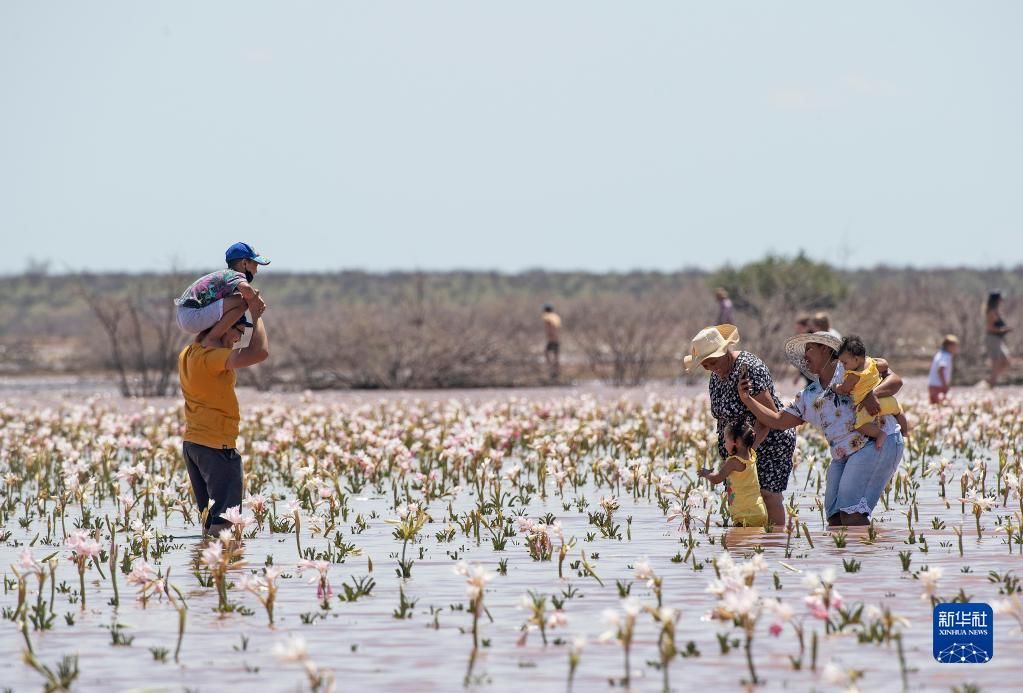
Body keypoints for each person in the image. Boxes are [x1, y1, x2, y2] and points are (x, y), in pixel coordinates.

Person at [737, 331, 905, 527]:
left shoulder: (852, 367)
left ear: (825, 349)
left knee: (852, 517)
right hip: (843, 454)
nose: (804, 356)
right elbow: (777, 421)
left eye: (809, 349)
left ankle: (872, 554)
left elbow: (896, 380)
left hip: (876, 442)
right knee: (835, 519)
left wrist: (872, 393)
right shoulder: (808, 395)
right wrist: (747, 399)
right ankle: (854, 554)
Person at [683, 324, 796, 527]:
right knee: (744, 499)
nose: (711, 368)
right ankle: (750, 548)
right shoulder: (716, 376)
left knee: (768, 494)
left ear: (725, 351)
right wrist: (733, 455)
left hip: (769, 439)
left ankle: (775, 545)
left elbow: (770, 416)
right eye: (705, 365)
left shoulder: (748, 368)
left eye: (713, 362)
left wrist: (745, 455)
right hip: (738, 447)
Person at [179, 301, 269, 537]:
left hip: (193, 445)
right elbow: (260, 353)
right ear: (223, 328)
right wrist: (257, 317)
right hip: (216, 447)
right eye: (238, 332)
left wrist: (243, 304)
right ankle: (226, 571)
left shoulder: (190, 353)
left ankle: (209, 569)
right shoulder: (211, 358)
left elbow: (212, 333)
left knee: (210, 520)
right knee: (225, 523)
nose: (238, 339)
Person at [174, 242, 270, 334]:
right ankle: (212, 339)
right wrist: (257, 301)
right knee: (242, 300)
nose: (256, 271)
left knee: (238, 299)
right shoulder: (234, 274)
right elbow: (247, 289)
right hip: (191, 316)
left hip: (183, 315)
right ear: (244, 263)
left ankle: (206, 339)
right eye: (255, 265)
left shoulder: (225, 275)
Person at [833, 335, 909, 449]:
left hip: (868, 408)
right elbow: (885, 364)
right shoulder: (872, 363)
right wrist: (874, 361)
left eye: (844, 363)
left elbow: (845, 389)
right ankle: (905, 432)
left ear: (857, 359)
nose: (843, 366)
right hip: (888, 400)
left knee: (859, 425)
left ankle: (880, 434)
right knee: (899, 411)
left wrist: (835, 387)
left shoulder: (853, 376)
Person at [698, 420, 769, 528]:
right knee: (755, 543)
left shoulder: (733, 462)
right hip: (759, 510)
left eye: (726, 441)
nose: (724, 444)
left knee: (738, 543)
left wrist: (706, 473)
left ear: (736, 442)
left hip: (744, 514)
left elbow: (717, 479)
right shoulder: (751, 455)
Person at [985, 292, 1011, 385]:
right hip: (992, 338)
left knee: (1006, 361)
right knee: (996, 361)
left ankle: (991, 380)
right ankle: (991, 383)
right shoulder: (991, 311)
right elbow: (990, 327)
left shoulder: (996, 310)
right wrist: (1003, 329)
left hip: (998, 339)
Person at [928, 335, 959, 404]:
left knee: (935, 407)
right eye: (954, 346)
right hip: (938, 386)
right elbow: (941, 370)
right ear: (948, 346)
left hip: (933, 384)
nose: (955, 348)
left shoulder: (940, 354)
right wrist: (944, 385)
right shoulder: (945, 356)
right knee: (939, 408)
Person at [542, 304, 562, 381]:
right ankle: (556, 372)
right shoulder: (556, 317)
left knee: (547, 354)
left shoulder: (547, 317)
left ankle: (551, 371)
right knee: (556, 356)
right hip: (557, 339)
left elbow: (550, 328)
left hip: (552, 339)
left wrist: (550, 335)